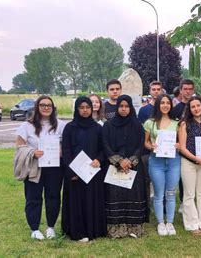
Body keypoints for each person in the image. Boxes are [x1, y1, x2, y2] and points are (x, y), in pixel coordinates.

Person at [15, 96, 66, 240]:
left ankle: (50, 227)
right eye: (42, 105)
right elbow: (19, 146)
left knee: (53, 196)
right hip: (34, 167)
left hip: (55, 168)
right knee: (33, 198)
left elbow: (67, 144)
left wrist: (62, 150)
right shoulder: (27, 126)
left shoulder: (61, 125)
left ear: (53, 108)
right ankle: (34, 229)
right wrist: (32, 152)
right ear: (37, 107)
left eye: (49, 105)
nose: (46, 107)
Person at [102, 95, 149, 238]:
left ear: (130, 107)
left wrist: (130, 160)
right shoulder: (108, 125)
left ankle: (134, 228)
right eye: (121, 106)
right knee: (115, 196)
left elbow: (141, 144)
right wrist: (119, 161)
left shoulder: (137, 125)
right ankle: (117, 229)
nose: (123, 109)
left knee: (133, 195)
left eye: (126, 106)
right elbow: (105, 145)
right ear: (117, 107)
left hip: (133, 166)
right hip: (114, 166)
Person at [61, 97, 106, 242]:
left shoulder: (98, 128)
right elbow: (66, 151)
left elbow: (103, 148)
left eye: (88, 107)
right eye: (82, 107)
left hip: (92, 172)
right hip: (74, 173)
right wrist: (71, 171)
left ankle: (93, 230)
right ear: (77, 109)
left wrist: (99, 159)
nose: (85, 110)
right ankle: (78, 231)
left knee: (91, 199)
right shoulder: (70, 128)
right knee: (77, 201)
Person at [143, 94, 180, 236]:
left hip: (173, 162)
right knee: (158, 194)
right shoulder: (150, 123)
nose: (165, 105)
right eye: (162, 103)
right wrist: (151, 146)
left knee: (171, 193)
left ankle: (169, 222)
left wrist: (177, 145)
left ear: (171, 105)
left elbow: (181, 142)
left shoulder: (177, 123)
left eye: (168, 103)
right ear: (158, 104)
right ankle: (160, 222)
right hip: (156, 161)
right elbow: (145, 142)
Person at [178, 96, 201, 234]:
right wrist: (196, 158)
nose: (196, 109)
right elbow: (182, 148)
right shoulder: (184, 124)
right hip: (189, 162)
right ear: (189, 109)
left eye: (198, 105)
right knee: (189, 194)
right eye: (193, 107)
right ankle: (192, 224)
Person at [171, 79, 195, 213]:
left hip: (196, 147)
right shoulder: (176, 109)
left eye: (190, 89)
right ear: (180, 90)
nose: (188, 91)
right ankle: (182, 201)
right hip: (181, 148)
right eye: (185, 89)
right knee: (183, 176)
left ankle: (195, 200)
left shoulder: (197, 106)